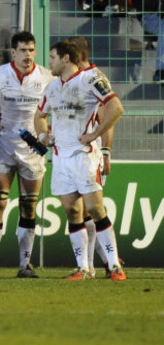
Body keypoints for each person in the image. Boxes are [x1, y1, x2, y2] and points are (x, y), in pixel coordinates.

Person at [34, 40, 127, 281]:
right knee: (72, 211)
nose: (50, 62)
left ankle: (115, 265)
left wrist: (96, 135)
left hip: (84, 155)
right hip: (60, 157)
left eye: (52, 57)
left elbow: (116, 107)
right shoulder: (52, 87)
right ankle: (83, 268)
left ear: (66, 58)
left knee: (95, 208)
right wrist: (43, 135)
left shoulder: (91, 79)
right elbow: (39, 115)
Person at [0, 31, 54, 278]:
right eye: (23, 50)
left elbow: (54, 107)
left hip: (32, 149)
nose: (28, 55)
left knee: (29, 208)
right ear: (13, 52)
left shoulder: (47, 77)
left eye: (31, 50)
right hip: (3, 146)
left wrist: (49, 133)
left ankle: (25, 265)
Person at [68, 36, 120, 278]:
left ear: (76, 54)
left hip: (92, 151)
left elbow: (109, 117)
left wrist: (106, 152)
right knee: (81, 210)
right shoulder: (74, 78)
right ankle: (96, 264)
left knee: (91, 209)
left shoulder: (95, 78)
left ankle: (99, 264)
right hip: (75, 151)